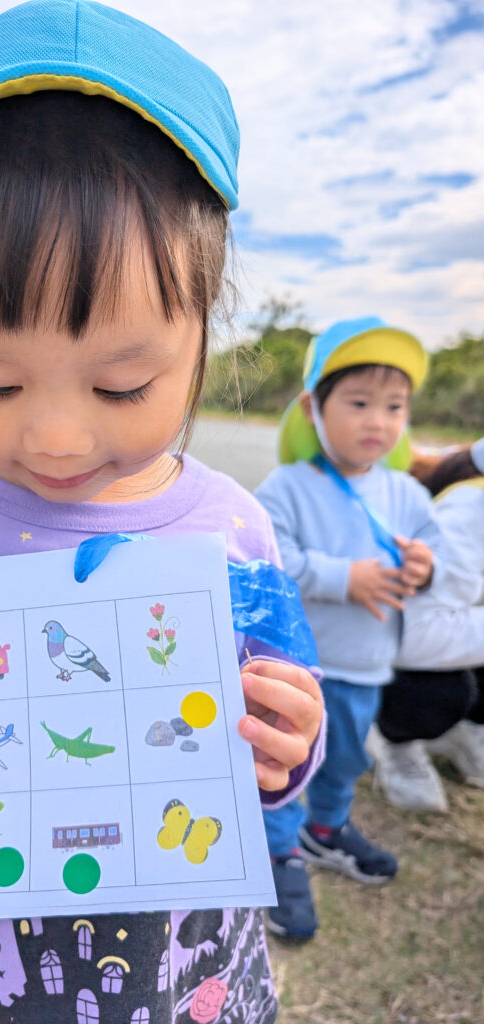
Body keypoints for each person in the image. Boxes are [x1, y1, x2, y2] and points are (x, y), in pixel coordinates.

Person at [0, 3, 324, 1020]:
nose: (57, 440)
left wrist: (290, 747)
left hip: (184, 973)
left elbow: (282, 736)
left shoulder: (236, 532)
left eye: (121, 387)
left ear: (201, 330)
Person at [255, 317, 445, 941]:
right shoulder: (288, 487)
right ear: (314, 408)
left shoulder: (407, 493)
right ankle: (279, 854)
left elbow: (435, 555)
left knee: (342, 764)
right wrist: (346, 579)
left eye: (394, 407)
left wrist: (423, 566)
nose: (378, 421)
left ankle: (327, 829)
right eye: (359, 403)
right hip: (301, 667)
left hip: (366, 666)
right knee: (286, 766)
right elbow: (271, 558)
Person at [368, 438, 484, 813]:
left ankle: (466, 730)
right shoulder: (469, 511)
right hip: (385, 641)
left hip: (443, 626)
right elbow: (412, 636)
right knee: (442, 693)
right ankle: (394, 738)